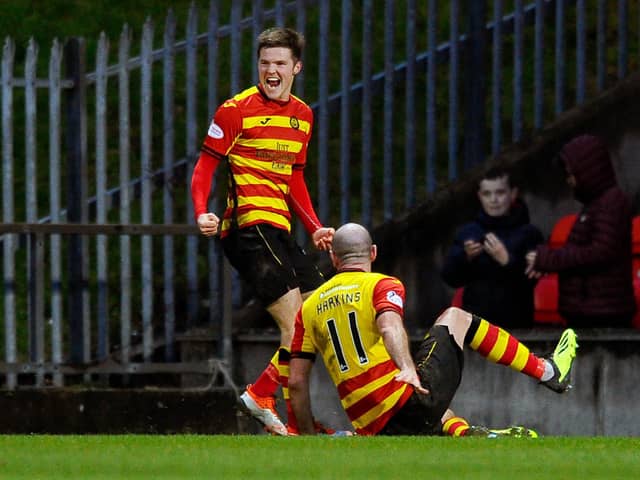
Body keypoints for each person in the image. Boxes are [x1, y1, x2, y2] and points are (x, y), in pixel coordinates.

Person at [289, 223, 578, 436]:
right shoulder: (381, 284)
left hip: (373, 427)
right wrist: (407, 368)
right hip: (405, 405)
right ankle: (548, 371)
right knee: (455, 317)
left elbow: (297, 383)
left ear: (334, 259)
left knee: (439, 413)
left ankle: (473, 436)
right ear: (373, 253)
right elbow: (389, 326)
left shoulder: (309, 307)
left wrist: (307, 437)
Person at [190, 27, 335, 435]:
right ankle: (264, 396)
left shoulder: (304, 115)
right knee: (297, 327)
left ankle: (295, 421)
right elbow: (204, 168)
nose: (271, 71)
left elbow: (294, 179)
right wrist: (202, 211)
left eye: (279, 64)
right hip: (248, 229)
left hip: (280, 230)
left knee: (321, 319)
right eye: (265, 63)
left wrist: (315, 226)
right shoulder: (235, 110)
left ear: (297, 68)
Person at [526, 134, 636, 328]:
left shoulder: (610, 204)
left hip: (604, 314)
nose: (569, 181)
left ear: (588, 172)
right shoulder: (596, 204)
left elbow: (599, 252)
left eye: (571, 174)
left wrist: (547, 259)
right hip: (590, 310)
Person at [442, 166, 544, 328]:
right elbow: (450, 277)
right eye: (487, 194)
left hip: (517, 326)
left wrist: (507, 261)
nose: (493, 200)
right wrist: (464, 257)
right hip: (476, 326)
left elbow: (532, 281)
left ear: (513, 194)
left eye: (500, 193)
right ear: (479, 196)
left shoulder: (529, 234)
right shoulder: (469, 232)